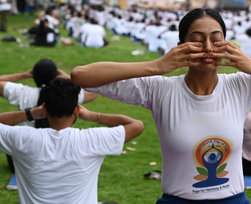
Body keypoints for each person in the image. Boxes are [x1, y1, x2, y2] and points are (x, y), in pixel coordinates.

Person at [71, 8, 251, 203]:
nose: (207, 48)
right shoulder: (158, 89)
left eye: (216, 40)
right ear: (181, 45)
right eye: (197, 39)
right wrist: (156, 66)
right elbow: (81, 76)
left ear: (227, 44)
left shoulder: (243, 86)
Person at [0, 78, 144, 203]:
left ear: (44, 108)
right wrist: (93, 116)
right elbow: (136, 125)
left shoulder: (22, 138)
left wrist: (30, 113)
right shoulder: (92, 140)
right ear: (76, 111)